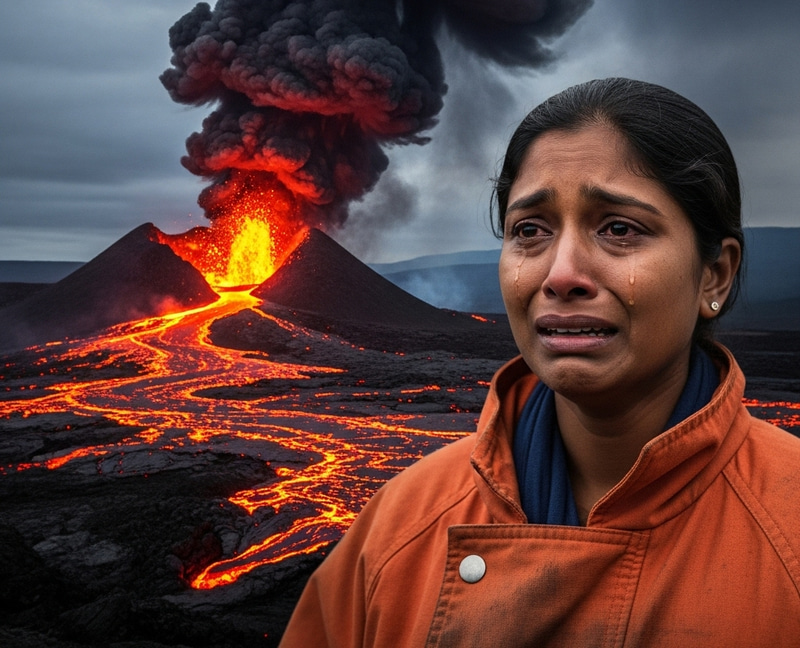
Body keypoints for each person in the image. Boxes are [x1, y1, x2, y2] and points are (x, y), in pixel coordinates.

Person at [279, 78, 800, 647]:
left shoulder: (787, 525)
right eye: (530, 230)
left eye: (619, 229)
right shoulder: (402, 525)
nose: (561, 274)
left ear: (714, 274)